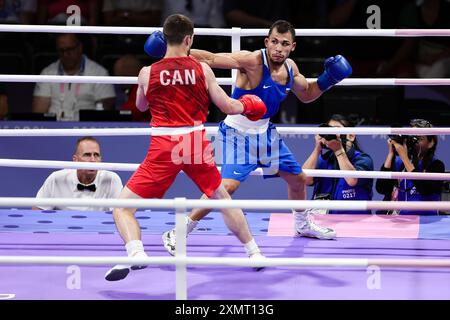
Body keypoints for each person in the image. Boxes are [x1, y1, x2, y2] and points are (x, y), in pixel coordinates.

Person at [145, 19, 352, 256]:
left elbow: (306, 94)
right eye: (274, 41)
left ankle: (302, 224)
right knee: (226, 187)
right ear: (267, 42)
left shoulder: (291, 68)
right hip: (237, 133)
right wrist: (172, 50)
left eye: (284, 44)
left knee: (298, 180)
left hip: (266, 134)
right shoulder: (253, 61)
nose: (278, 48)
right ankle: (178, 232)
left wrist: (329, 79)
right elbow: (211, 59)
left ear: (292, 47)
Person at [104, 14, 268, 282]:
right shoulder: (202, 69)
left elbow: (142, 107)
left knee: (122, 207)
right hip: (193, 142)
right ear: (189, 39)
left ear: (164, 38)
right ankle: (254, 252)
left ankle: (136, 253)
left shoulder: (147, 73)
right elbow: (228, 106)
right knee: (222, 199)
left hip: (163, 146)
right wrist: (251, 105)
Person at [32, 33, 116, 121]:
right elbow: (39, 114)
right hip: (54, 129)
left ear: (80, 47)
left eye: (69, 49)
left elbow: (106, 113)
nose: (65, 54)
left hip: (85, 129)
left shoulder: (99, 73)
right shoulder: (47, 73)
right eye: (61, 50)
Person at [302, 114, 374, 214]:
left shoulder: (363, 159)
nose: (333, 134)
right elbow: (305, 180)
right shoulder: (324, 158)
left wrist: (338, 150)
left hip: (355, 221)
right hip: (323, 222)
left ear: (351, 136)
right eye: (329, 131)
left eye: (337, 130)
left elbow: (352, 180)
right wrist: (317, 149)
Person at [376, 118, 445, 215]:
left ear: (431, 143)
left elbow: (425, 190)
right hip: (402, 220)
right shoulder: (399, 163)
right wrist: (391, 154)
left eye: (419, 139)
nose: (414, 142)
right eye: (413, 138)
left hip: (426, 221)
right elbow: (381, 189)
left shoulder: (437, 165)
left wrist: (405, 159)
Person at [33, 136, 123, 211]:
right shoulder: (56, 178)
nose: (93, 160)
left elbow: (120, 215)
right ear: (75, 160)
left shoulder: (112, 179)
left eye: (96, 155)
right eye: (87, 155)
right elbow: (37, 211)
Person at [113, 54, 150, 122]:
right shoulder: (113, 86)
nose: (121, 72)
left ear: (137, 71)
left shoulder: (142, 86)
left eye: (124, 75)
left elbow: (136, 110)